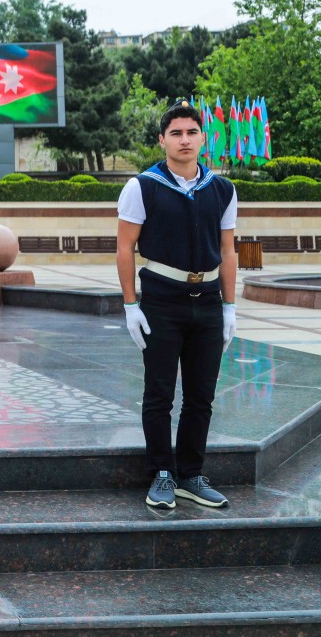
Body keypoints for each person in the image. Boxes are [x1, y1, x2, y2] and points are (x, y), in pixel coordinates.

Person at [117, 99, 238, 511]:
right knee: (159, 394)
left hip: (206, 300)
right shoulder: (143, 186)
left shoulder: (222, 189)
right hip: (161, 301)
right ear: (162, 140)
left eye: (191, 132)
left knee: (202, 395)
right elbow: (124, 247)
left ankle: (190, 474)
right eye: (176, 133)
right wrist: (131, 304)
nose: (184, 140)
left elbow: (228, 249)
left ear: (203, 137)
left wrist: (229, 307)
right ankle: (162, 474)